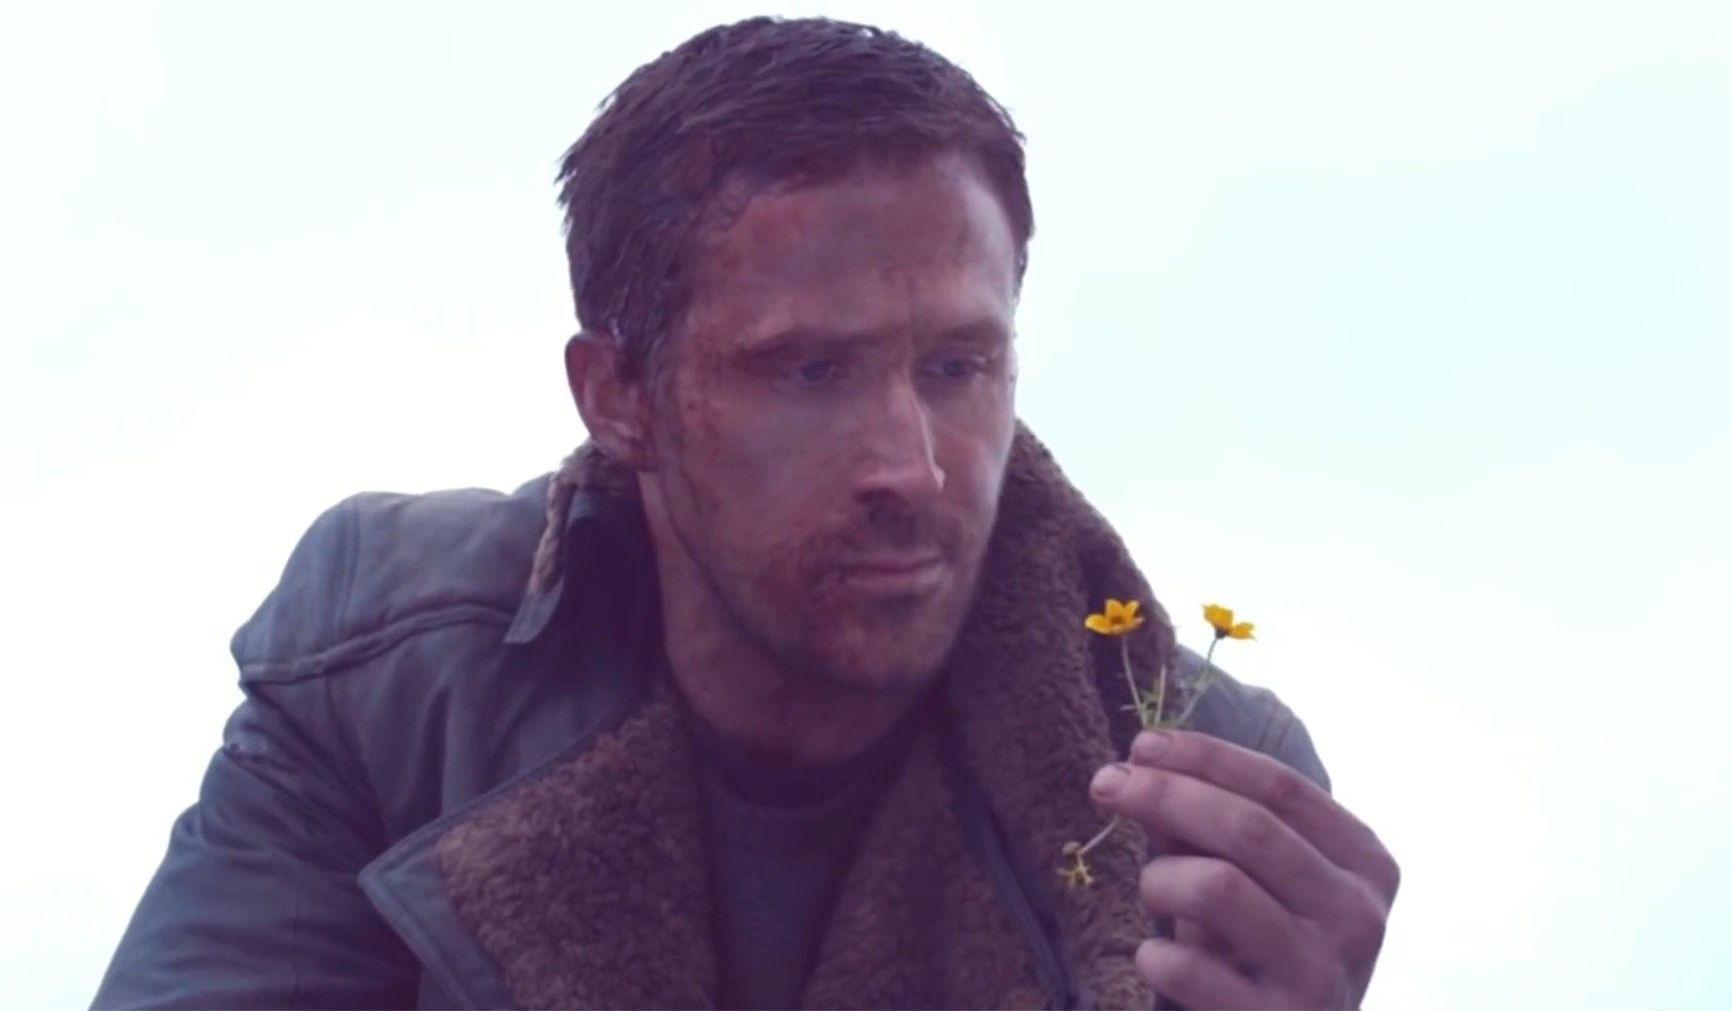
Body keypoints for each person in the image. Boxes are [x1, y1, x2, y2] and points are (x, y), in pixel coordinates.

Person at [92, 16, 1397, 1010]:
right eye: (810, 371)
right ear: (620, 397)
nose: (915, 469)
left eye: (959, 367)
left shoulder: (1198, 787)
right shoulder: (390, 671)